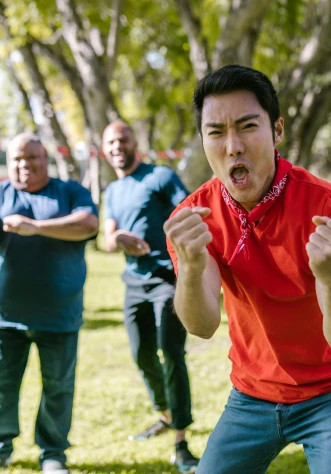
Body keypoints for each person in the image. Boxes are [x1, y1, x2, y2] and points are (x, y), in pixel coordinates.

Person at [165, 65, 331, 474]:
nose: (233, 146)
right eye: (217, 132)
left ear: (277, 130)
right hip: (252, 396)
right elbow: (202, 325)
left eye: (247, 126)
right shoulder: (193, 217)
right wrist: (189, 270)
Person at [0, 133, 99, 474]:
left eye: (32, 158)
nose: (24, 165)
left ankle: (53, 453)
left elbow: (87, 225)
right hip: (4, 316)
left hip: (59, 314)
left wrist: (36, 227)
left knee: (57, 386)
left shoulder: (70, 192)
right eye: (17, 159)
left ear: (45, 159)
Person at [101, 121, 199, 472]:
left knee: (171, 353)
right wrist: (121, 240)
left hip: (167, 281)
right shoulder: (112, 190)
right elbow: (107, 239)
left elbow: (187, 212)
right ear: (104, 148)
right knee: (142, 354)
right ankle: (167, 414)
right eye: (111, 141)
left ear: (135, 143)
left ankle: (182, 442)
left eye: (122, 139)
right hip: (134, 282)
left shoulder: (159, 176)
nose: (117, 146)